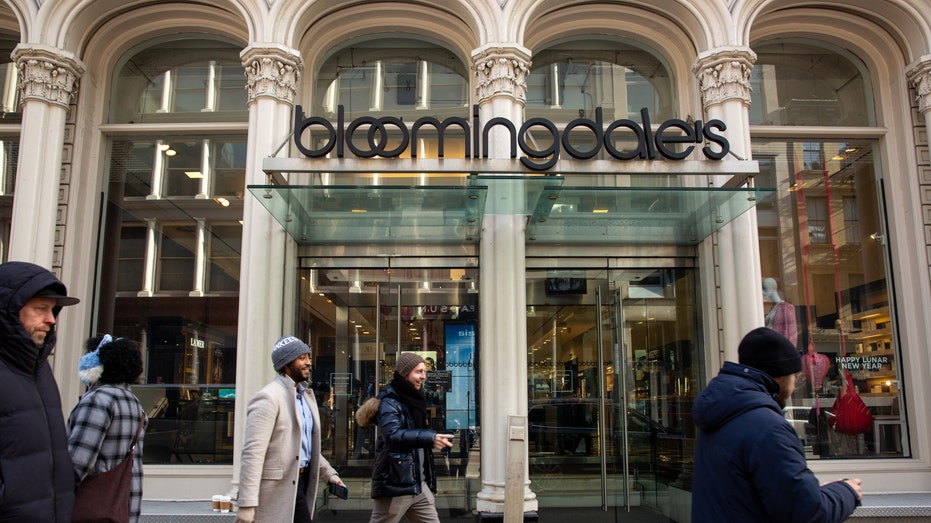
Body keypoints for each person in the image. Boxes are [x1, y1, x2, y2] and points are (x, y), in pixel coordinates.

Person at [691, 327, 863, 522]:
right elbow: (808, 513)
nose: (793, 386)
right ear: (781, 375)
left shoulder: (723, 415)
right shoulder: (767, 428)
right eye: (795, 377)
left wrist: (821, 493)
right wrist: (846, 491)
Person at [0, 261, 80, 522]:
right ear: (9, 311)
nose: (51, 319)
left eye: (53, 310)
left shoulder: (40, 369)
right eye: (40, 309)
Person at [235, 335, 343, 523]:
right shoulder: (268, 398)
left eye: (308, 357)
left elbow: (304, 446)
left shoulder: (305, 396)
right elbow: (252, 454)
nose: (309, 362)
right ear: (285, 364)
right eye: (302, 358)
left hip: (300, 482)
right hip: (276, 489)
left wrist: (329, 474)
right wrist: (246, 505)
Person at [355, 352, 454, 523]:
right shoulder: (389, 401)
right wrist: (429, 438)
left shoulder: (414, 399)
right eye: (418, 372)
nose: (423, 376)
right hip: (396, 484)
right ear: (404, 373)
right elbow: (393, 435)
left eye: (424, 372)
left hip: (417, 484)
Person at [68, 334, 147, 522]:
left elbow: (77, 462)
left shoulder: (98, 401)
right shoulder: (134, 404)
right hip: (122, 508)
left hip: (92, 508)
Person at [762, 277, 798, 348]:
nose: (762, 291)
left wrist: (789, 353)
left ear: (772, 288)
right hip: (768, 346)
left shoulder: (787, 307)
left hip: (780, 348)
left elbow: (792, 333)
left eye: (765, 288)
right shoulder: (772, 309)